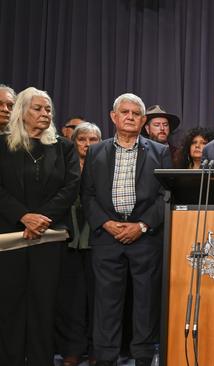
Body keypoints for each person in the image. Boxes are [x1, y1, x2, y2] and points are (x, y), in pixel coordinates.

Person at [81, 93, 172, 366]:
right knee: (106, 305)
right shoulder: (96, 151)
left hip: (145, 238)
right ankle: (106, 358)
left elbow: (167, 195)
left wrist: (142, 225)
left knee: (145, 304)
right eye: (125, 112)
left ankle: (144, 358)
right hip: (107, 237)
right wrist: (106, 223)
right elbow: (87, 195)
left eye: (136, 113)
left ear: (143, 121)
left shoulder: (161, 152)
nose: (130, 117)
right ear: (114, 117)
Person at [0, 87, 80, 365]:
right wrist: (23, 216)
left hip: (49, 238)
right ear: (21, 112)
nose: (45, 114)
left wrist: (41, 218)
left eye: (48, 109)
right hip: (10, 237)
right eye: (38, 108)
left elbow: (71, 187)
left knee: (44, 307)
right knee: (9, 306)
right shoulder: (2, 144)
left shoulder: (64, 147)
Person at [56, 122, 102, 366]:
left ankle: (97, 349)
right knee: (70, 300)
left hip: (98, 241)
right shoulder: (65, 167)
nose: (87, 144)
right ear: (74, 143)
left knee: (98, 299)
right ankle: (72, 350)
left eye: (93, 140)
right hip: (70, 240)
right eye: (82, 139)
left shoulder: (105, 166)